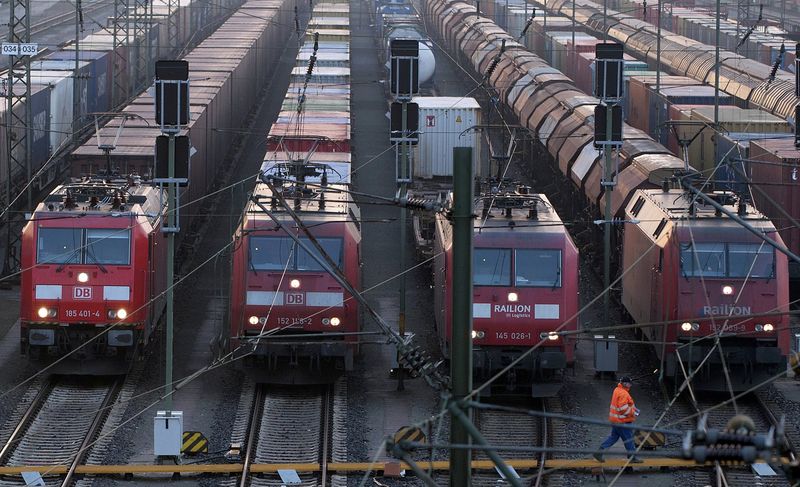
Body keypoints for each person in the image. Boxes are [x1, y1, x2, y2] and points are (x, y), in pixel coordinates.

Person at [593, 376, 644, 463]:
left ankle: (599, 452)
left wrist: (633, 408)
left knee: (613, 438)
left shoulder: (617, 390)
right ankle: (632, 457)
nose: (630, 385)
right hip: (623, 422)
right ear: (625, 384)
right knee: (629, 439)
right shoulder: (624, 394)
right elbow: (623, 408)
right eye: (629, 384)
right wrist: (633, 412)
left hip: (616, 421)